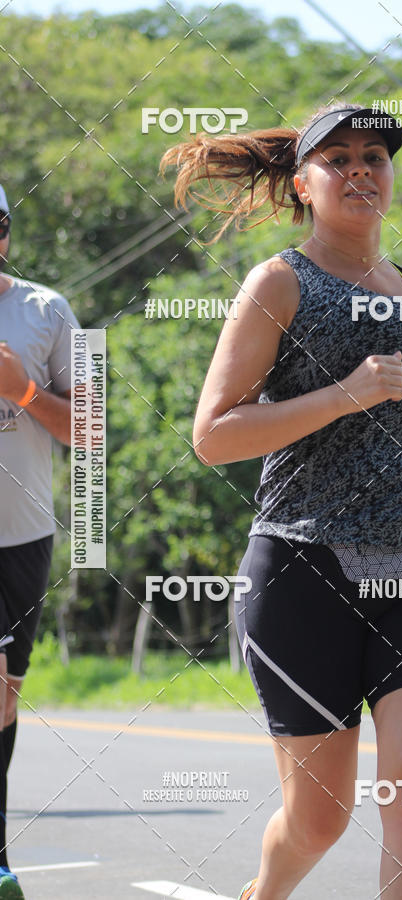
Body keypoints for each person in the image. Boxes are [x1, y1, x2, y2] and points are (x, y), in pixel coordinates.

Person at [162, 104, 402, 900]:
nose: (359, 169)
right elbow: (214, 434)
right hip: (304, 572)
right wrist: (344, 395)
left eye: (374, 155)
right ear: (304, 185)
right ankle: (263, 894)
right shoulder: (278, 281)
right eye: (337, 157)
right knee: (319, 821)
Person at [0, 183, 79, 899]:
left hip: (19, 536)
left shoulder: (44, 310)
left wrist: (22, 389)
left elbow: (89, 428)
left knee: (3, 696)